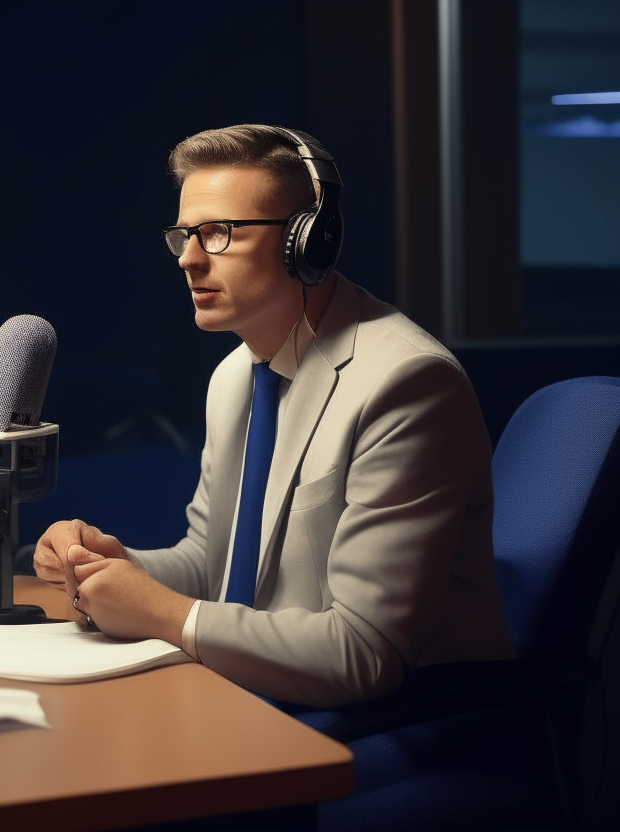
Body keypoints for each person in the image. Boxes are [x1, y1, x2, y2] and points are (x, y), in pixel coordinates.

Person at [33, 125, 514, 708]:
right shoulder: (235, 376)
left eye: (218, 234)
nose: (187, 259)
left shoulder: (408, 385)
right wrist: (109, 567)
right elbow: (213, 567)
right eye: (184, 235)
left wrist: (163, 612)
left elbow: (365, 654)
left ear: (305, 241)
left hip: (399, 722)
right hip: (259, 690)